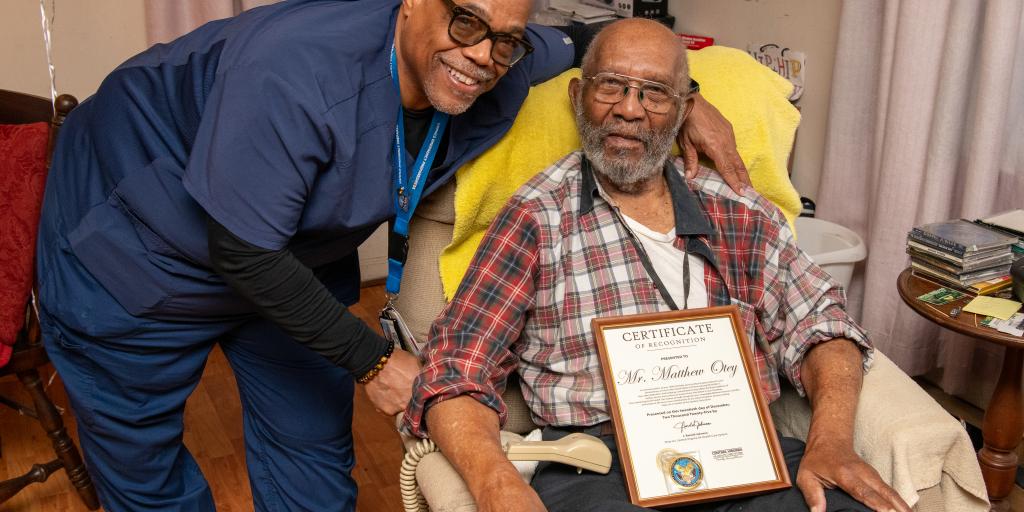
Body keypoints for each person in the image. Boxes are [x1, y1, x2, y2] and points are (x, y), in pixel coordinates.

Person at [35, 0, 746, 509]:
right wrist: (374, 361)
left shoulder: (503, 51)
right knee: (146, 474)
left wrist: (693, 99)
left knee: (312, 457)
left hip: (292, 263)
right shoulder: (293, 70)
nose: (483, 56)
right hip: (138, 241)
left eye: (505, 39)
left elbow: (590, 39)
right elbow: (243, 250)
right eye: (464, 22)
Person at [404, 18, 913, 512]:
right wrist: (496, 484)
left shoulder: (740, 212)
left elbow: (823, 323)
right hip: (599, 467)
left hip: (743, 455)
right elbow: (455, 369)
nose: (629, 110)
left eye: (654, 93)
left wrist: (831, 441)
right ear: (578, 97)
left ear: (683, 110)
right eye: (611, 86)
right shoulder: (537, 217)